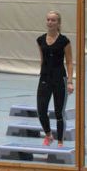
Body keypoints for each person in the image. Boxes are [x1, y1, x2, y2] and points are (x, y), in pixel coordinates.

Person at [36, 10, 74, 146]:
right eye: (48, 20)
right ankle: (48, 134)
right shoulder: (40, 40)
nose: (50, 22)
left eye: (53, 20)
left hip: (59, 79)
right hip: (45, 78)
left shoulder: (64, 41)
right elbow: (42, 60)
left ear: (58, 23)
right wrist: (41, 73)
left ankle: (60, 141)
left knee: (59, 112)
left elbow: (69, 62)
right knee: (41, 110)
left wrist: (70, 81)